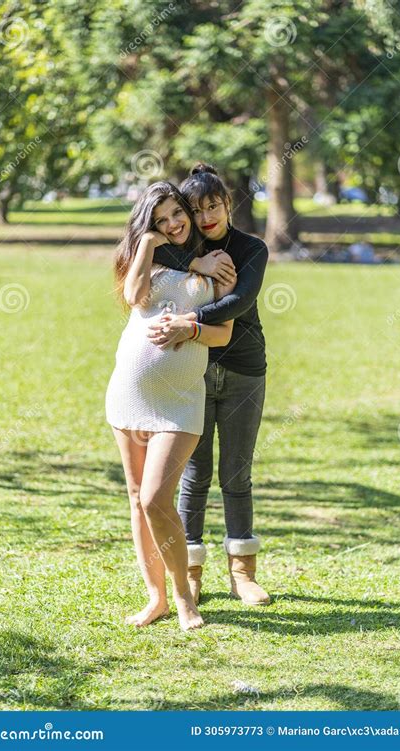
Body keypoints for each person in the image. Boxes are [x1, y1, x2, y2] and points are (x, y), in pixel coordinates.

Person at [105, 181, 235, 631]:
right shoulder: (147, 254)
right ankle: (155, 598)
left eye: (175, 214)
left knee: (157, 496)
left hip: (181, 400)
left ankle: (185, 598)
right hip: (129, 392)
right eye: (159, 220)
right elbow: (133, 296)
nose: (172, 224)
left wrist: (189, 328)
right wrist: (146, 243)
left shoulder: (216, 262)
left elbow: (223, 333)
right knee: (138, 499)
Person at [147, 165, 270, 606]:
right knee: (192, 477)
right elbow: (146, 253)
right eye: (195, 210)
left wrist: (189, 320)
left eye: (213, 206)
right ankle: (191, 571)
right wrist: (196, 259)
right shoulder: (184, 248)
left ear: (228, 204)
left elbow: (241, 300)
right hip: (190, 373)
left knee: (236, 472)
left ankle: (243, 573)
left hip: (243, 370)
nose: (205, 217)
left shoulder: (251, 248)